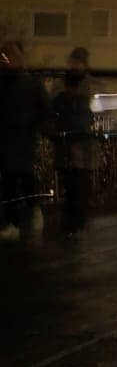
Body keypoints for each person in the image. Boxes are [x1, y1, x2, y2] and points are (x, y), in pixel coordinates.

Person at [1, 41, 51, 242]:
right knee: (10, 182)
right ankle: (15, 222)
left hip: (22, 139)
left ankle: (31, 212)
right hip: (9, 140)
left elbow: (44, 109)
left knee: (22, 177)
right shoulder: (11, 82)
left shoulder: (30, 83)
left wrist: (39, 127)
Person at [50, 47, 96, 238]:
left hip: (81, 145)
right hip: (69, 144)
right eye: (73, 62)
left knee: (79, 186)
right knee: (71, 186)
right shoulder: (63, 86)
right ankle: (71, 223)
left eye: (78, 62)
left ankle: (76, 223)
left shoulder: (88, 86)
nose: (75, 65)